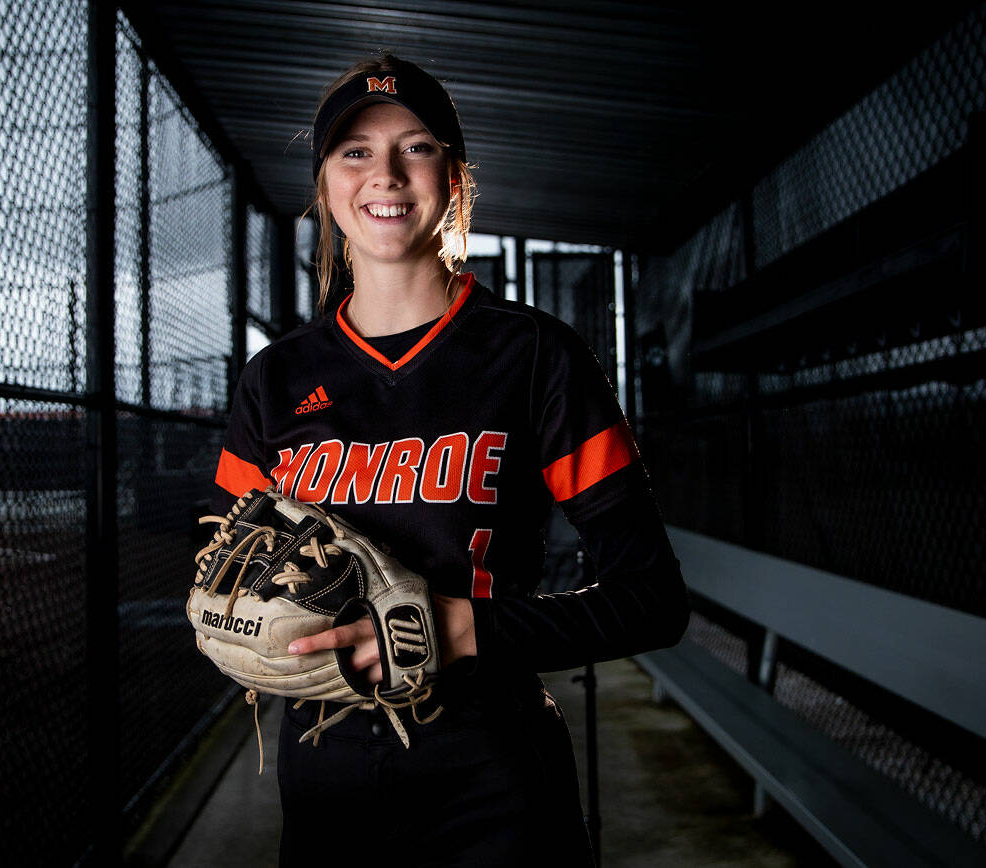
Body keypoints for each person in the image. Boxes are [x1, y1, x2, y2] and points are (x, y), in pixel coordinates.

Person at [210, 53, 689, 866]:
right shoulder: (275, 381)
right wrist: (237, 617)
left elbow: (653, 601)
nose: (385, 174)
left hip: (493, 779)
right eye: (354, 150)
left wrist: (461, 626)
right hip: (324, 782)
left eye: (417, 146)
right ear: (325, 184)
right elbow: (225, 573)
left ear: (455, 179)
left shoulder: (535, 356)